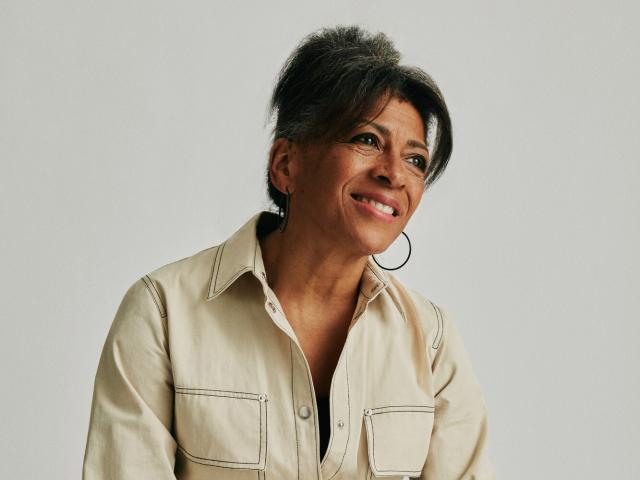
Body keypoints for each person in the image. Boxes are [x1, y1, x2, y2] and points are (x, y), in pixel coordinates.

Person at [82, 24, 495, 480]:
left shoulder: (431, 342)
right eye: (367, 140)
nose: (394, 173)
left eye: (416, 159)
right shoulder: (163, 313)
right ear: (285, 164)